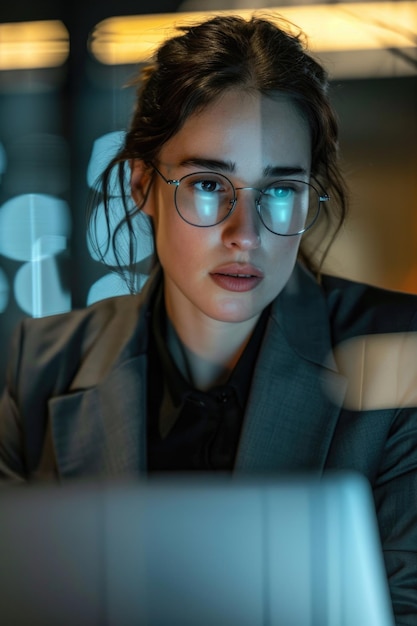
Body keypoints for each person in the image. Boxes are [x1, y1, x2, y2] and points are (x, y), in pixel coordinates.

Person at [0, 13, 416, 623]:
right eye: (206, 183)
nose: (243, 234)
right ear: (143, 185)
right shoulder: (37, 367)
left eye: (279, 189)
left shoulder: (398, 356)